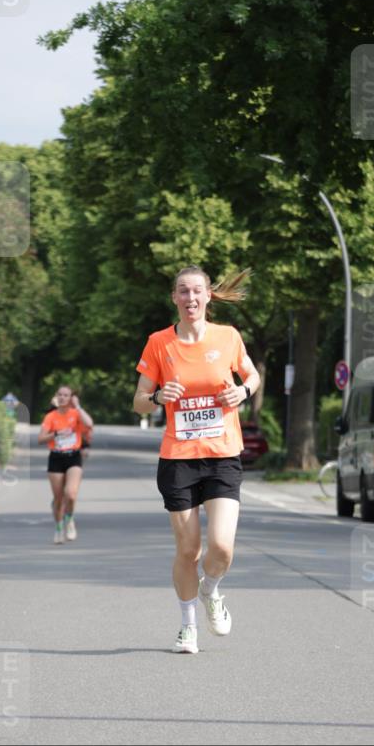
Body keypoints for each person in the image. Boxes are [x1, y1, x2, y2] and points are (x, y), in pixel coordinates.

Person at [133, 265, 260, 654]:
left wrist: (243, 392)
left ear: (208, 296)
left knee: (222, 548)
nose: (190, 298)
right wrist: (158, 397)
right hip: (179, 459)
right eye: (183, 291)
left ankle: (212, 589)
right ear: (174, 297)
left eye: (196, 291)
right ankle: (188, 626)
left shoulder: (228, 336)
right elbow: (139, 401)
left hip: (222, 456)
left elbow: (252, 376)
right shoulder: (159, 343)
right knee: (189, 551)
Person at [38, 386, 93, 544]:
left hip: (73, 457)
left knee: (71, 494)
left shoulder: (76, 414)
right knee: (58, 498)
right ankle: (59, 527)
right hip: (56, 457)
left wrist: (78, 406)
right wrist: (55, 434)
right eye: (60, 395)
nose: (62, 397)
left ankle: (69, 519)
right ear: (56, 397)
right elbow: (40, 439)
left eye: (66, 395)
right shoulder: (50, 417)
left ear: (71, 398)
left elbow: (89, 424)